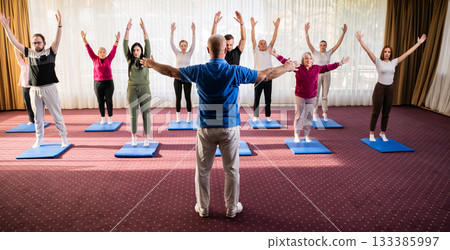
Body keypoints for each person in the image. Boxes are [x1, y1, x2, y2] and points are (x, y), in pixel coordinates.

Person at [140, 34, 297, 218]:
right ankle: (231, 208)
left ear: (208, 50)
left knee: (203, 170)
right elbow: (265, 75)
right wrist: (286, 67)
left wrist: (152, 64)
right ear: (225, 50)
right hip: (229, 127)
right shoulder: (235, 71)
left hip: (206, 127)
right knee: (231, 169)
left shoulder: (199, 70)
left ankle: (203, 208)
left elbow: (172, 72)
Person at [1, 11, 69, 148]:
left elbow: (58, 39)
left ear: (44, 43)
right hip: (34, 90)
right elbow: (14, 43)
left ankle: (63, 138)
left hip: (49, 88)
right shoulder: (29, 53)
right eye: (34, 43)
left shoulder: (51, 51)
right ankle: (39, 139)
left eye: (38, 42)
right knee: (38, 117)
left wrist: (59, 25)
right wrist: (5, 27)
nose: (36, 45)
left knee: (56, 115)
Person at [355, 31, 427, 142]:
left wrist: (419, 43)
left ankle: (383, 132)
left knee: (386, 113)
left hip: (390, 89)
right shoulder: (378, 62)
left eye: (389, 52)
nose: (387, 53)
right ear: (382, 53)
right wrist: (360, 41)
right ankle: (371, 133)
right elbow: (368, 52)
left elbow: (407, 53)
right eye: (385, 51)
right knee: (375, 112)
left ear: (391, 53)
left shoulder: (394, 62)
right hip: (379, 89)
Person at [269, 48, 349, 142]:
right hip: (300, 97)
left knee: (308, 117)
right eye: (306, 58)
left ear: (312, 60)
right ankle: (297, 135)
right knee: (298, 116)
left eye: (310, 58)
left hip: (312, 97)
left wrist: (340, 63)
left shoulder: (317, 68)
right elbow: (286, 62)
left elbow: (328, 67)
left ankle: (306, 135)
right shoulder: (298, 68)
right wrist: (276, 55)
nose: (309, 60)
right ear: (303, 60)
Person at [305, 22, 347, 121]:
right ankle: (314, 112)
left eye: (324, 45)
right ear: (319, 46)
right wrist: (306, 31)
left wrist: (343, 33)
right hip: (317, 74)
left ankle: (324, 113)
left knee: (324, 95)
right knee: (316, 94)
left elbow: (338, 44)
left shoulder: (329, 53)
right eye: (321, 45)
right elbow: (308, 43)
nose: (322, 46)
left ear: (326, 46)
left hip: (327, 74)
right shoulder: (316, 53)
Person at [123, 18, 152, 146]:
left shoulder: (145, 59)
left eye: (137, 50)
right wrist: (127, 30)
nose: (135, 52)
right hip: (132, 90)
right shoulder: (129, 60)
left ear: (141, 51)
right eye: (134, 50)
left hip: (145, 89)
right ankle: (134, 137)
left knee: (146, 114)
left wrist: (144, 29)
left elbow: (147, 43)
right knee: (133, 115)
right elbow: (125, 45)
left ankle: (146, 138)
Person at [81, 30, 120, 125]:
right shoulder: (94, 58)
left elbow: (114, 49)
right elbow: (89, 49)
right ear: (98, 53)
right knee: (100, 101)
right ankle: (103, 117)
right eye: (100, 52)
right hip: (98, 83)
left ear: (106, 53)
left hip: (109, 83)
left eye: (104, 52)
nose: (102, 53)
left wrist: (117, 40)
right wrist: (84, 39)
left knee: (109, 100)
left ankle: (110, 117)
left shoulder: (109, 58)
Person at [250, 17, 280, 122]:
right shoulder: (256, 50)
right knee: (257, 97)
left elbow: (274, 38)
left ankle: (268, 116)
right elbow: (253, 39)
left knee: (268, 98)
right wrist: (253, 27)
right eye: (261, 43)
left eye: (265, 43)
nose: (263, 44)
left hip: (268, 76)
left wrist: (276, 27)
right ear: (258, 45)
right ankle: (255, 116)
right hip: (258, 77)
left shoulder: (269, 50)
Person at [170, 22, 195, 122]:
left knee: (188, 97)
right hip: (177, 77)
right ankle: (178, 117)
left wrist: (193, 32)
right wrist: (172, 31)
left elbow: (194, 44)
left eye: (185, 45)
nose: (184, 47)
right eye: (182, 45)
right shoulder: (177, 53)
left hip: (187, 78)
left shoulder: (189, 53)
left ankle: (189, 117)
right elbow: (171, 43)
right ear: (180, 46)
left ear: (187, 46)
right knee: (178, 98)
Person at [14, 47, 34, 125]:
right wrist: (16, 47)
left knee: (35, 105)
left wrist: (29, 50)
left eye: (28, 58)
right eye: (26, 59)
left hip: (34, 88)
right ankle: (32, 120)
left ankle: (38, 119)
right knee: (28, 104)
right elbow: (17, 56)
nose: (27, 60)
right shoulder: (23, 65)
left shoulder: (34, 66)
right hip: (25, 87)